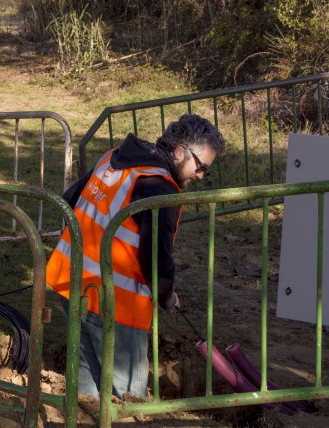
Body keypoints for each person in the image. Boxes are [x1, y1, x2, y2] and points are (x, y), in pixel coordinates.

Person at [46, 113, 225, 399]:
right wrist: (166, 295)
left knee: (86, 391)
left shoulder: (115, 157)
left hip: (71, 284)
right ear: (180, 152)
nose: (201, 175)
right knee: (127, 398)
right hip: (115, 304)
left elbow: (69, 200)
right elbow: (156, 255)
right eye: (200, 166)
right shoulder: (161, 188)